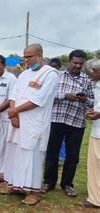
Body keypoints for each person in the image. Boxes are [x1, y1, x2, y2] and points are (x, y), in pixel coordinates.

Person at [3, 44, 59, 205]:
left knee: (32, 155)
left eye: (30, 57)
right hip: (17, 121)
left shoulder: (50, 74)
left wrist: (16, 111)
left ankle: (34, 192)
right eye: (25, 57)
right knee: (15, 153)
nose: (26, 60)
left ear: (40, 55)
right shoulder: (24, 74)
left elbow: (39, 100)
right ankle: (15, 186)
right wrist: (14, 113)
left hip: (35, 123)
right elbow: (14, 95)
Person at [42, 50, 92, 197]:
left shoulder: (88, 80)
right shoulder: (56, 76)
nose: (77, 66)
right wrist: (64, 96)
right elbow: (47, 95)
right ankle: (49, 182)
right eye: (75, 63)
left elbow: (92, 101)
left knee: (72, 156)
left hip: (76, 121)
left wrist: (84, 100)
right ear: (69, 61)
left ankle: (67, 184)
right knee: (52, 152)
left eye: (80, 64)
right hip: (56, 119)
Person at [84, 59, 100, 208]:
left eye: (90, 74)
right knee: (95, 165)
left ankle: (96, 199)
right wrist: (93, 112)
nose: (89, 78)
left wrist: (99, 114)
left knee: (96, 165)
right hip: (97, 130)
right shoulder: (97, 86)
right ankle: (95, 198)